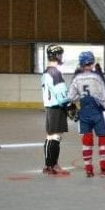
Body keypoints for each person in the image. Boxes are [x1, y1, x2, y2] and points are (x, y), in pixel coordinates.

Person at [67, 51, 105, 177]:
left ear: (81, 63)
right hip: (97, 112)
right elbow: (104, 97)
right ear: (92, 62)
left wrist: (72, 107)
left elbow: (70, 97)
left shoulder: (76, 78)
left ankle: (89, 170)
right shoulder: (97, 77)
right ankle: (104, 170)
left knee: (87, 138)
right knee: (103, 137)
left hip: (84, 111)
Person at [41, 44, 73, 176]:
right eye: (60, 54)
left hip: (50, 108)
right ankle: (52, 165)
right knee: (55, 137)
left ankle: (50, 164)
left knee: (50, 137)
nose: (61, 57)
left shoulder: (47, 71)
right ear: (56, 56)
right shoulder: (55, 73)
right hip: (57, 108)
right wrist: (71, 108)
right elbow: (61, 94)